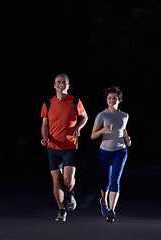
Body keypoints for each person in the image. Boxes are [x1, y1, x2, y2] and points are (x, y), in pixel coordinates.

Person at [40, 74, 88, 222]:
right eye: (59, 82)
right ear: (54, 85)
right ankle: (61, 210)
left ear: (68, 85)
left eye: (64, 82)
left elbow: (85, 117)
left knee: (68, 179)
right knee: (56, 180)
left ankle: (70, 193)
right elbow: (44, 125)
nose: (61, 84)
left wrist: (79, 128)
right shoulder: (47, 104)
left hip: (70, 145)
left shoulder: (75, 101)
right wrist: (45, 137)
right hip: (53, 147)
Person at [91, 86, 131, 222]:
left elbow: (123, 130)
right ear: (106, 100)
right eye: (109, 98)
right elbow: (92, 136)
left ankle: (111, 210)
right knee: (106, 181)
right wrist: (104, 129)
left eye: (114, 98)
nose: (111, 100)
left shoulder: (124, 115)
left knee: (115, 179)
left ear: (119, 99)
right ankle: (104, 202)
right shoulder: (102, 115)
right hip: (105, 152)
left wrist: (127, 138)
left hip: (120, 151)